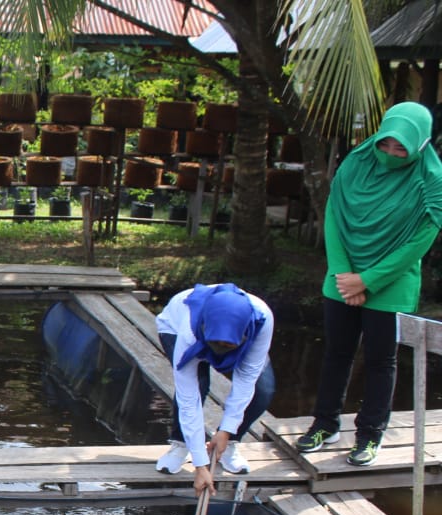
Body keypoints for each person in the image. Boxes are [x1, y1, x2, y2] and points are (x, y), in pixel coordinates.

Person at [297, 101, 442, 467]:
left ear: (421, 145)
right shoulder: (356, 162)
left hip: (390, 285)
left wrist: (368, 280)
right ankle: (324, 424)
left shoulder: (432, 180)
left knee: (381, 361)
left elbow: (419, 243)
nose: (391, 154)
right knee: (336, 354)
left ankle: (369, 435)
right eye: (386, 144)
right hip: (342, 279)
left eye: (401, 149)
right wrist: (346, 274)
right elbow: (333, 214)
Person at [154, 283, 276, 494]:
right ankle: (181, 444)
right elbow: (188, 396)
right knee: (199, 384)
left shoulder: (262, 319)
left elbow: (246, 379)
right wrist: (200, 465)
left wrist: (226, 430)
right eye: (216, 344)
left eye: (227, 346)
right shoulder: (189, 329)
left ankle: (229, 443)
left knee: (263, 390)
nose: (220, 351)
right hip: (174, 328)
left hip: (239, 339)